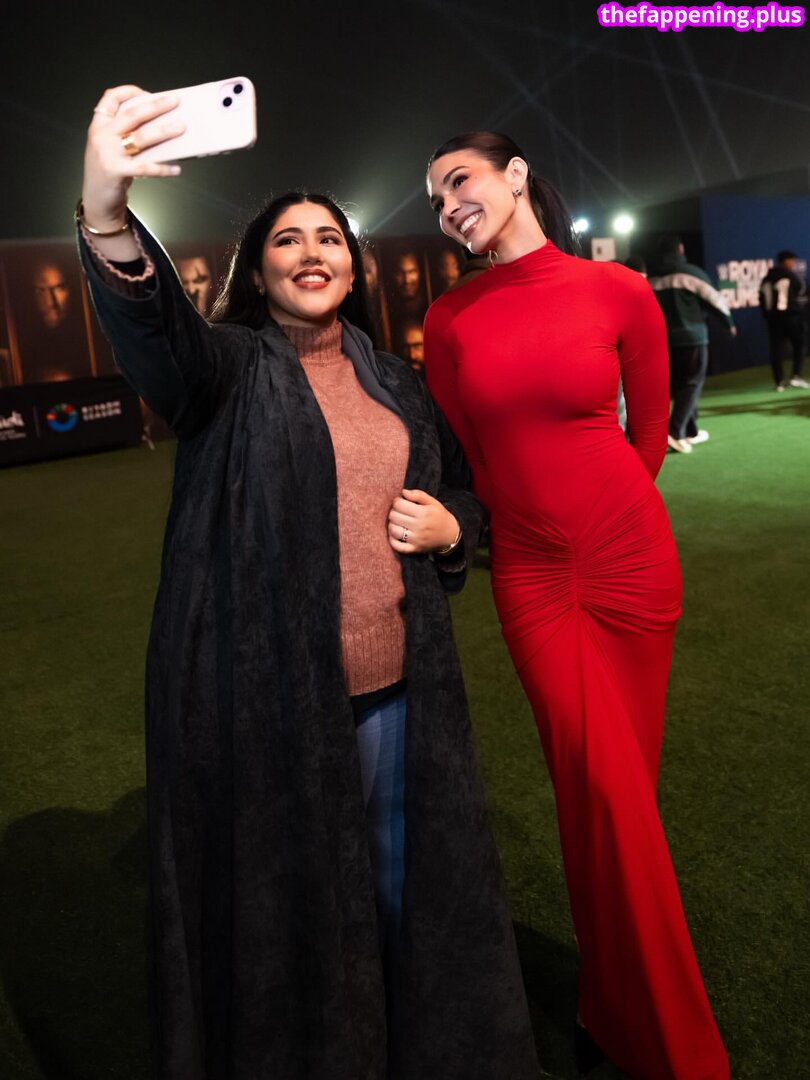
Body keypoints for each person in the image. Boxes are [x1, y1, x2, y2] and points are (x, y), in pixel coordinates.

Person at [77, 89, 539, 1080]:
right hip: (273, 713)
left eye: (330, 237)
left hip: (398, 700)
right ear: (258, 270)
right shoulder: (226, 371)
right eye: (288, 239)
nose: (312, 251)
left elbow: (465, 487)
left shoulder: (395, 380)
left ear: (353, 264)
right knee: (299, 921)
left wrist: (454, 526)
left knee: (400, 895)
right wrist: (108, 213)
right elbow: (157, 331)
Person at [423, 130, 729, 1080]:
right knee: (601, 790)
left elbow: (650, 429)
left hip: (631, 565)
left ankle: (607, 1006)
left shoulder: (619, 291)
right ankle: (673, 1049)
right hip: (534, 579)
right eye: (435, 201)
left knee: (612, 800)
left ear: (515, 176)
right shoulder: (450, 319)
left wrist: (610, 521)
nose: (448, 207)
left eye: (459, 181)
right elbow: (468, 457)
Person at [647, 235, 735, 454]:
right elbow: (715, 300)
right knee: (692, 383)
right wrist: (728, 323)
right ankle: (675, 432)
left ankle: (690, 431)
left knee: (679, 385)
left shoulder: (653, 277)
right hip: (692, 337)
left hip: (663, 340)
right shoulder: (690, 272)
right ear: (680, 248)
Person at [758, 249, 808, 390]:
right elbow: (799, 289)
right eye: (791, 260)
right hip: (790, 317)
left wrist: (767, 314)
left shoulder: (767, 278)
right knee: (799, 344)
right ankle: (796, 376)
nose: (793, 263)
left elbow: (761, 298)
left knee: (776, 348)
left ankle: (779, 381)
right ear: (785, 261)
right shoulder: (789, 276)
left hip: (773, 319)